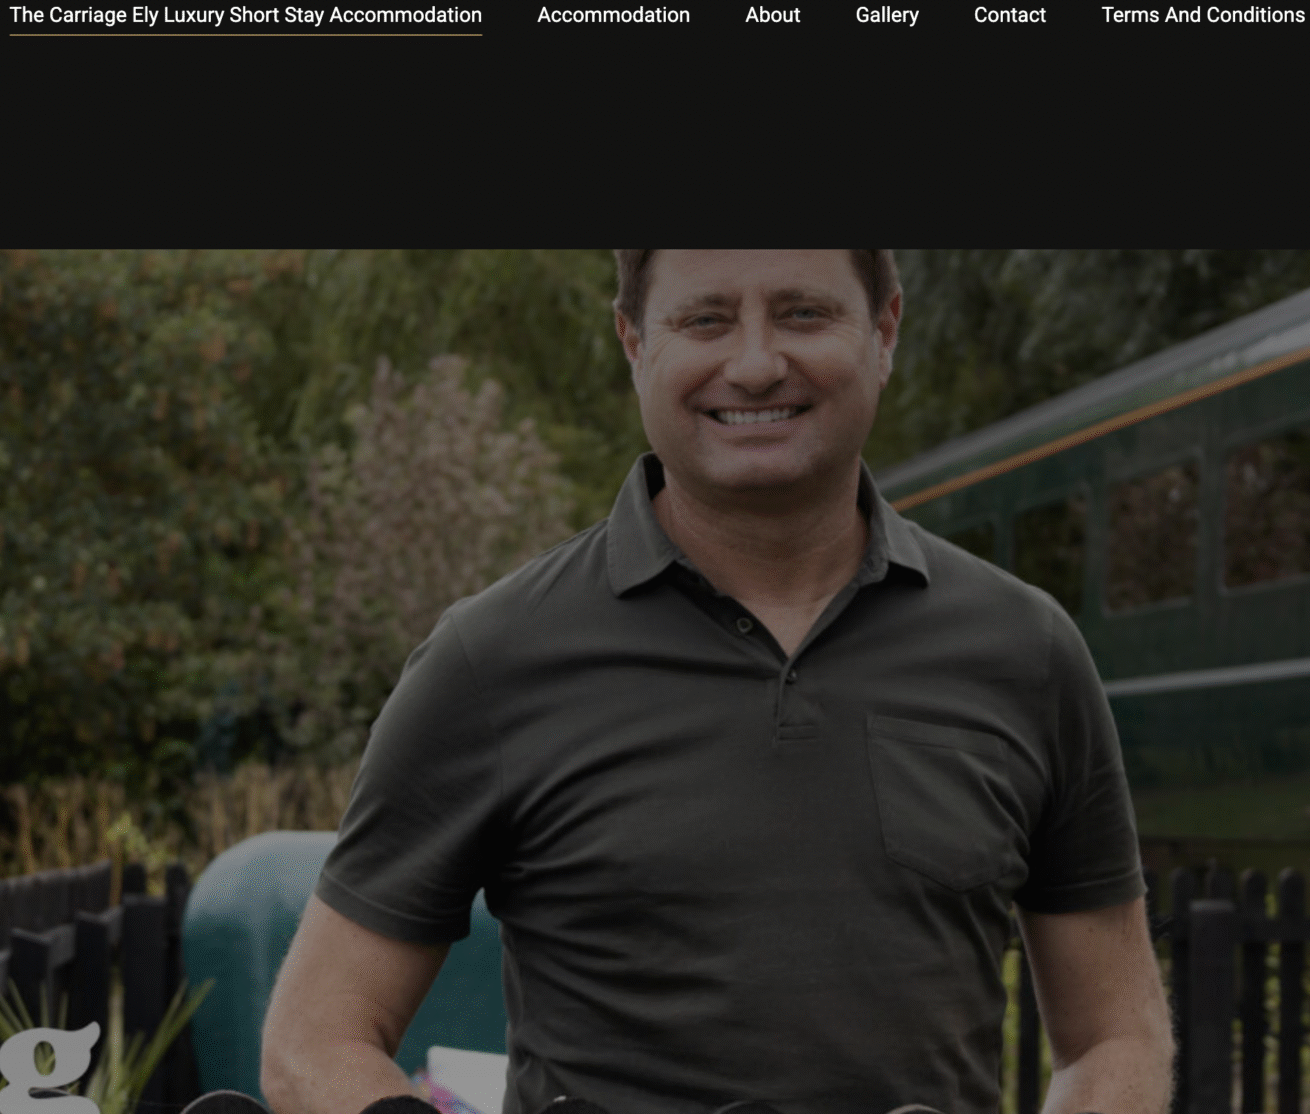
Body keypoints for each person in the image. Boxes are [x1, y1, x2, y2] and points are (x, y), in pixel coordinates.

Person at [259, 250, 1173, 1114]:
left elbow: (1115, 1037)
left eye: (803, 313)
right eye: (705, 320)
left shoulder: (1026, 652)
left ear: (886, 329)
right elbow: (314, 1039)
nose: (756, 364)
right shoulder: (490, 660)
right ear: (633, 341)